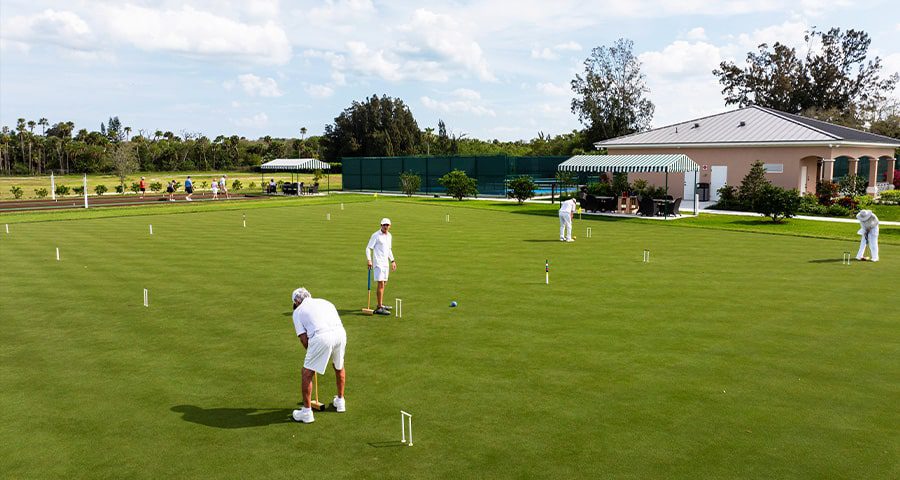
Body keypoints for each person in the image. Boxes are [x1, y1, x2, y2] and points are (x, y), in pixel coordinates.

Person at [290, 287, 347, 424]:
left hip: (322, 337)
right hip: (340, 334)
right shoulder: (325, 302)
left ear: (296, 302)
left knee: (306, 373)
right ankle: (340, 402)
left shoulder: (298, 312)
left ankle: (306, 413)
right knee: (339, 366)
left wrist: (312, 357)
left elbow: (303, 339)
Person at [365, 218, 397, 315]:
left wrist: (392, 261)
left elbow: (389, 249)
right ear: (381, 225)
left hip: (385, 263)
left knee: (384, 283)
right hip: (378, 263)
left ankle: (381, 304)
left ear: (390, 226)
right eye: (384, 225)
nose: (386, 226)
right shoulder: (376, 235)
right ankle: (379, 307)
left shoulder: (389, 236)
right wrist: (369, 260)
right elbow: (368, 248)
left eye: (387, 225)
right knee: (381, 284)